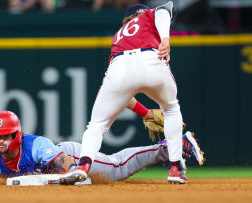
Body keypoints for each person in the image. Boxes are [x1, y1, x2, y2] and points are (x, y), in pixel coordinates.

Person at [60, 1, 188, 185]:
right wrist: (165, 39)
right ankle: (176, 168)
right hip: (151, 59)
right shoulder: (148, 16)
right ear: (143, 13)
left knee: (97, 124)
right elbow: (165, 9)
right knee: (171, 109)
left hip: (119, 67)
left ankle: (83, 166)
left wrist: (146, 113)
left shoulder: (118, 36)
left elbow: (125, 95)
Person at [0, 110, 204, 186]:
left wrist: (74, 173)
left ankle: (170, 145)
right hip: (60, 167)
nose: (0, 141)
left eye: (6, 135)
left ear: (17, 135)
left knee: (116, 168)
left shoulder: (35, 145)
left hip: (69, 155)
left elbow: (65, 163)